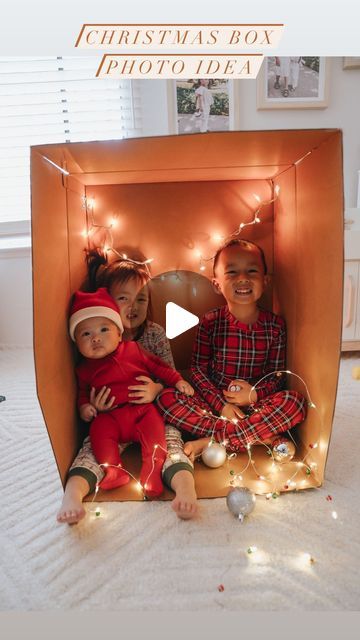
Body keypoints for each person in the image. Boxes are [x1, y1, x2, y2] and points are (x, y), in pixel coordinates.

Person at [57, 253, 198, 524]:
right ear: (108, 301)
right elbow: (85, 389)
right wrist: (91, 407)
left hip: (152, 413)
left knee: (169, 445)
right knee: (92, 449)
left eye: (141, 298)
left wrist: (156, 389)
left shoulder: (154, 334)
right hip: (111, 418)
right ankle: (73, 496)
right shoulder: (93, 343)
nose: (133, 306)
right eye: (124, 298)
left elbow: (169, 374)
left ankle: (184, 488)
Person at [156, 238, 307, 458]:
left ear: (265, 280)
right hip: (214, 408)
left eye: (252, 271)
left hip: (258, 407)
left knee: (295, 402)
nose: (243, 279)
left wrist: (254, 395)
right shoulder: (210, 321)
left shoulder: (275, 326)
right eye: (232, 273)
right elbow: (198, 370)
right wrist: (221, 405)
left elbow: (277, 375)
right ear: (217, 284)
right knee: (165, 398)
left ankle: (213, 441)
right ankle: (264, 437)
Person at [69, 287, 194, 498]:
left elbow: (160, 367)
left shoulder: (134, 350)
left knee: (156, 436)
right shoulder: (83, 369)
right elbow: (82, 393)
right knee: (98, 431)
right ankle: (113, 471)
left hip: (142, 411)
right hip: (110, 416)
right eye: (86, 334)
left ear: (119, 334)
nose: (95, 338)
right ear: (77, 343)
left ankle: (152, 471)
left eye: (103, 330)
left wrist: (178, 380)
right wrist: (86, 408)